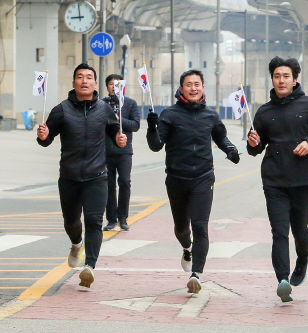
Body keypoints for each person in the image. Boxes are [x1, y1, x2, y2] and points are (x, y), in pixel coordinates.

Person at [247, 57, 308, 303]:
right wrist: (252, 142)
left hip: (303, 180)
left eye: (286, 76)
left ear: (295, 79)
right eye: (277, 76)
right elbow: (256, 147)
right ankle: (282, 280)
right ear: (272, 79)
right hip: (274, 180)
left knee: (300, 231)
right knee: (279, 232)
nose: (281, 80)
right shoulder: (264, 111)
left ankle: (303, 260)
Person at [146, 69, 240, 294]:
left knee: (200, 226)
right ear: (181, 89)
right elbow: (156, 145)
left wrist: (230, 149)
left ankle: (196, 273)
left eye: (197, 84)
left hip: (203, 178)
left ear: (203, 88)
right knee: (181, 228)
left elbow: (221, 137)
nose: (193, 88)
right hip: (177, 179)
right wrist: (151, 127)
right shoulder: (170, 114)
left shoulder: (211, 115)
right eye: (189, 84)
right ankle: (187, 249)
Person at [37, 63, 127, 289]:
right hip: (69, 177)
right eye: (80, 77)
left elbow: (115, 130)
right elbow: (46, 141)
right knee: (71, 221)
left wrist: (119, 138)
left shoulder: (105, 109)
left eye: (89, 77)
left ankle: (90, 266)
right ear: (74, 82)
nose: (84, 81)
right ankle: (76, 244)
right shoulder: (62, 109)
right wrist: (43, 136)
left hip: (97, 176)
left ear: (95, 84)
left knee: (95, 221)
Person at [102, 74, 141, 231]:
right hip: (105, 151)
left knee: (124, 182)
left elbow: (135, 125)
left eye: (117, 84)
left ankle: (123, 217)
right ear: (107, 87)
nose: (114, 86)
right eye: (111, 84)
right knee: (108, 186)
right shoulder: (101, 104)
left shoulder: (130, 104)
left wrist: (118, 119)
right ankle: (111, 219)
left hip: (124, 152)